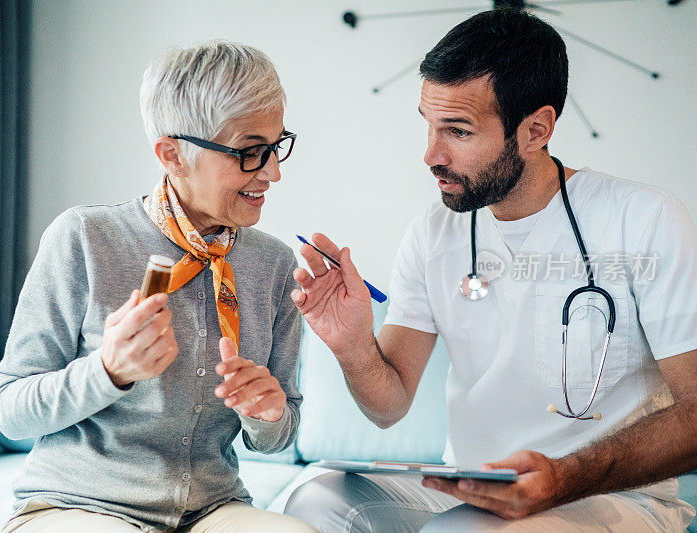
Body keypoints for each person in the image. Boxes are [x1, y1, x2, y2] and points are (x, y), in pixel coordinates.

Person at [283, 8, 697, 532]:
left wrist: (562, 477)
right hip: (477, 486)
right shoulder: (434, 233)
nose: (430, 155)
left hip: (612, 496)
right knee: (315, 502)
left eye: (457, 131)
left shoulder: (645, 220)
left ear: (535, 130)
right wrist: (352, 345)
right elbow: (387, 407)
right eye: (429, 127)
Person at [0, 41, 317, 533]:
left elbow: (275, 439)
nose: (272, 172)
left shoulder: (272, 264)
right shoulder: (83, 237)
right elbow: (9, 412)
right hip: (78, 504)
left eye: (276, 146)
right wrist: (107, 371)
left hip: (210, 509)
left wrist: (268, 412)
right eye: (250, 152)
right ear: (173, 155)